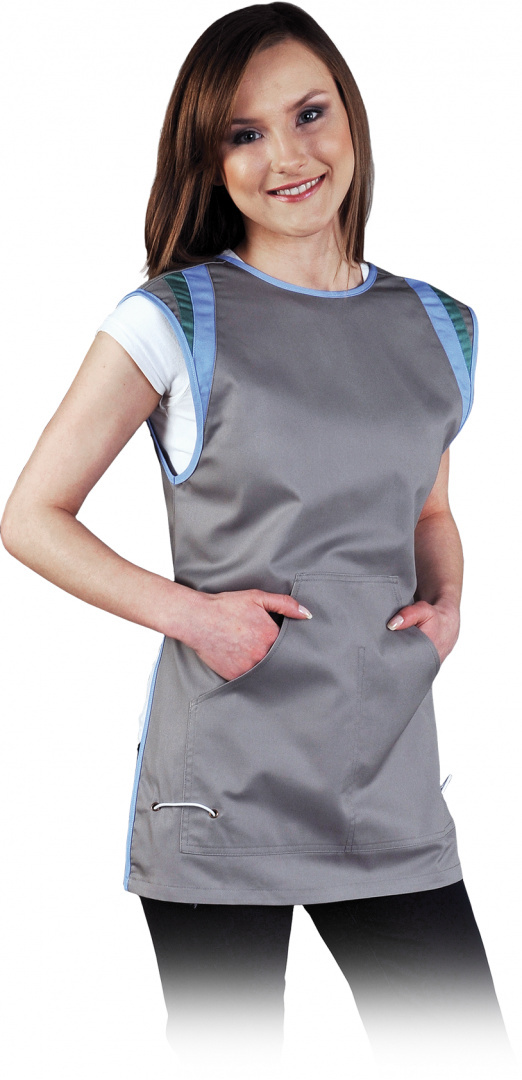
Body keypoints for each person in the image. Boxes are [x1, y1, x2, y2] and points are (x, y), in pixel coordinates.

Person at [1, 3, 518, 1078]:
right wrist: (195, 616)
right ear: (211, 158)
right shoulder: (173, 319)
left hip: (388, 783)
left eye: (309, 113)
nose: (288, 155)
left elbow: (426, 509)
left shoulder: (441, 326)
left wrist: (449, 601)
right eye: (244, 133)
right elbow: (32, 516)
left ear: (352, 118)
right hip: (223, 789)